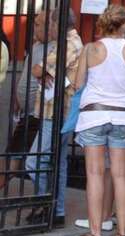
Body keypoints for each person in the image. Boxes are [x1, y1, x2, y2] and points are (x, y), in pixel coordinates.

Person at [73, 4, 125, 236]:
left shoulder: (91, 48)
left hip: (94, 115)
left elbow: (78, 83)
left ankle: (95, 233)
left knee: (94, 175)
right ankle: (121, 233)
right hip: (121, 117)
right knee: (121, 175)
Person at [23, 9, 82, 227]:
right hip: (58, 111)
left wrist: (43, 72)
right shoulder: (67, 43)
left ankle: (44, 204)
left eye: (51, 24)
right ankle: (57, 211)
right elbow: (44, 71)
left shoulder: (69, 44)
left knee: (34, 161)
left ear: (58, 24)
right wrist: (44, 72)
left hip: (56, 112)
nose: (49, 29)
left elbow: (38, 70)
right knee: (58, 163)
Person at [0, 12, 48, 191]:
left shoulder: (55, 49)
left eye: (38, 25)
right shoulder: (36, 46)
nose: (34, 28)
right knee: (14, 153)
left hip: (39, 112)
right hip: (27, 111)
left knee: (21, 156)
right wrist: (17, 97)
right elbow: (26, 74)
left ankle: (44, 198)